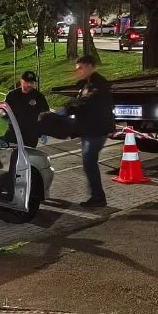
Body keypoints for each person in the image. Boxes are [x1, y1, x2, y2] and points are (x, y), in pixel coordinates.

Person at [66, 55, 116, 208]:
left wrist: (73, 105)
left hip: (96, 130)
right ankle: (97, 195)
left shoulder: (97, 84)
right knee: (89, 162)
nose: (78, 72)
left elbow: (87, 104)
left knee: (89, 162)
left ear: (89, 67)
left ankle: (98, 197)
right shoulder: (88, 83)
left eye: (80, 68)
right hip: (91, 129)